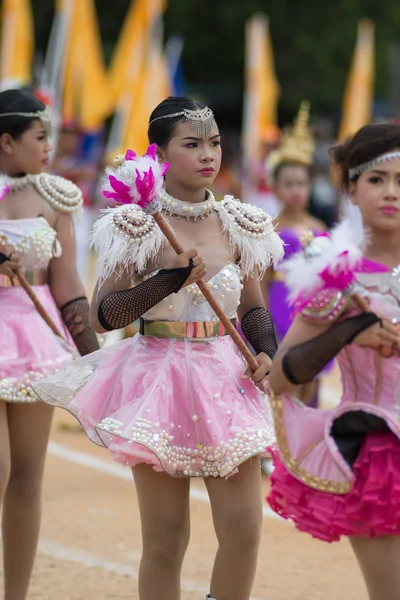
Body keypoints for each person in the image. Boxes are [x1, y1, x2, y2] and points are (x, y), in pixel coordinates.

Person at [33, 96, 284, 600]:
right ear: (162, 155)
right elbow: (107, 314)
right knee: (167, 540)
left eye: (213, 143)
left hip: (227, 382)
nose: (209, 154)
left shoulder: (242, 223)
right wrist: (168, 279)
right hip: (156, 379)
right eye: (192, 144)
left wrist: (265, 353)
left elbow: (253, 306)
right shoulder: (134, 226)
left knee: (243, 530)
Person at [267, 123, 400, 600]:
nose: (391, 193)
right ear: (350, 188)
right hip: (380, 452)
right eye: (377, 179)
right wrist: (350, 329)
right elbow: (281, 379)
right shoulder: (335, 274)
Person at [0, 89, 99, 600]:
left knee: (26, 472)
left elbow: (67, 283)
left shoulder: (58, 197)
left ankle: (14, 593)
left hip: (35, 338)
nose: (48, 146)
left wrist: (92, 353)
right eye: (39, 136)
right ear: (6, 141)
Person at [267, 101, 326, 407]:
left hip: (312, 307)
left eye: (301, 183)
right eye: (288, 183)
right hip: (279, 303)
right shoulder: (268, 228)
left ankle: (306, 444)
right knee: (280, 373)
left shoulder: (319, 227)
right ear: (275, 187)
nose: (295, 190)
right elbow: (261, 279)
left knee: (311, 376)